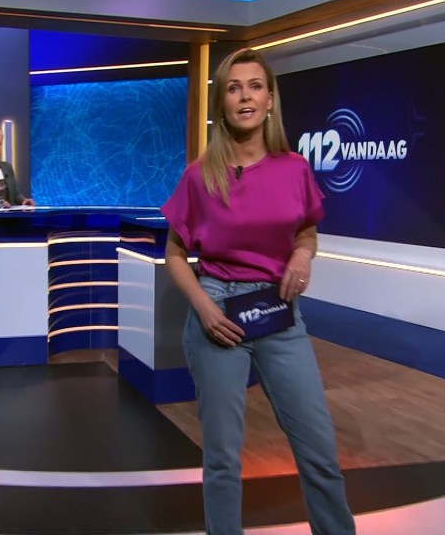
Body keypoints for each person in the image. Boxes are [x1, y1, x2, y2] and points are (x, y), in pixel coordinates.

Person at [161, 48, 356, 535]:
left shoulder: (294, 168)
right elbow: (175, 254)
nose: (244, 96)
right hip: (218, 312)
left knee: (318, 448)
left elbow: (307, 231)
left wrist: (302, 256)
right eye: (233, 88)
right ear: (222, 103)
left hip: (279, 311)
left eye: (254, 86)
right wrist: (204, 309)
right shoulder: (199, 175)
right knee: (223, 457)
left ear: (270, 99)